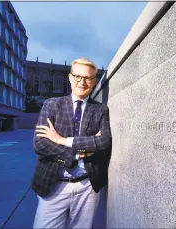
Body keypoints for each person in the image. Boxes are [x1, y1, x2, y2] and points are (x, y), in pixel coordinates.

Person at [31, 57, 112, 229]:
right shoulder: (52, 105)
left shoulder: (101, 110)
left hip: (87, 186)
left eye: (88, 78)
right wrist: (76, 154)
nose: (82, 82)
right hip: (54, 184)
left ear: (94, 81)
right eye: (78, 76)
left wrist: (61, 140)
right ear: (70, 77)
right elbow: (40, 144)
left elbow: (104, 140)